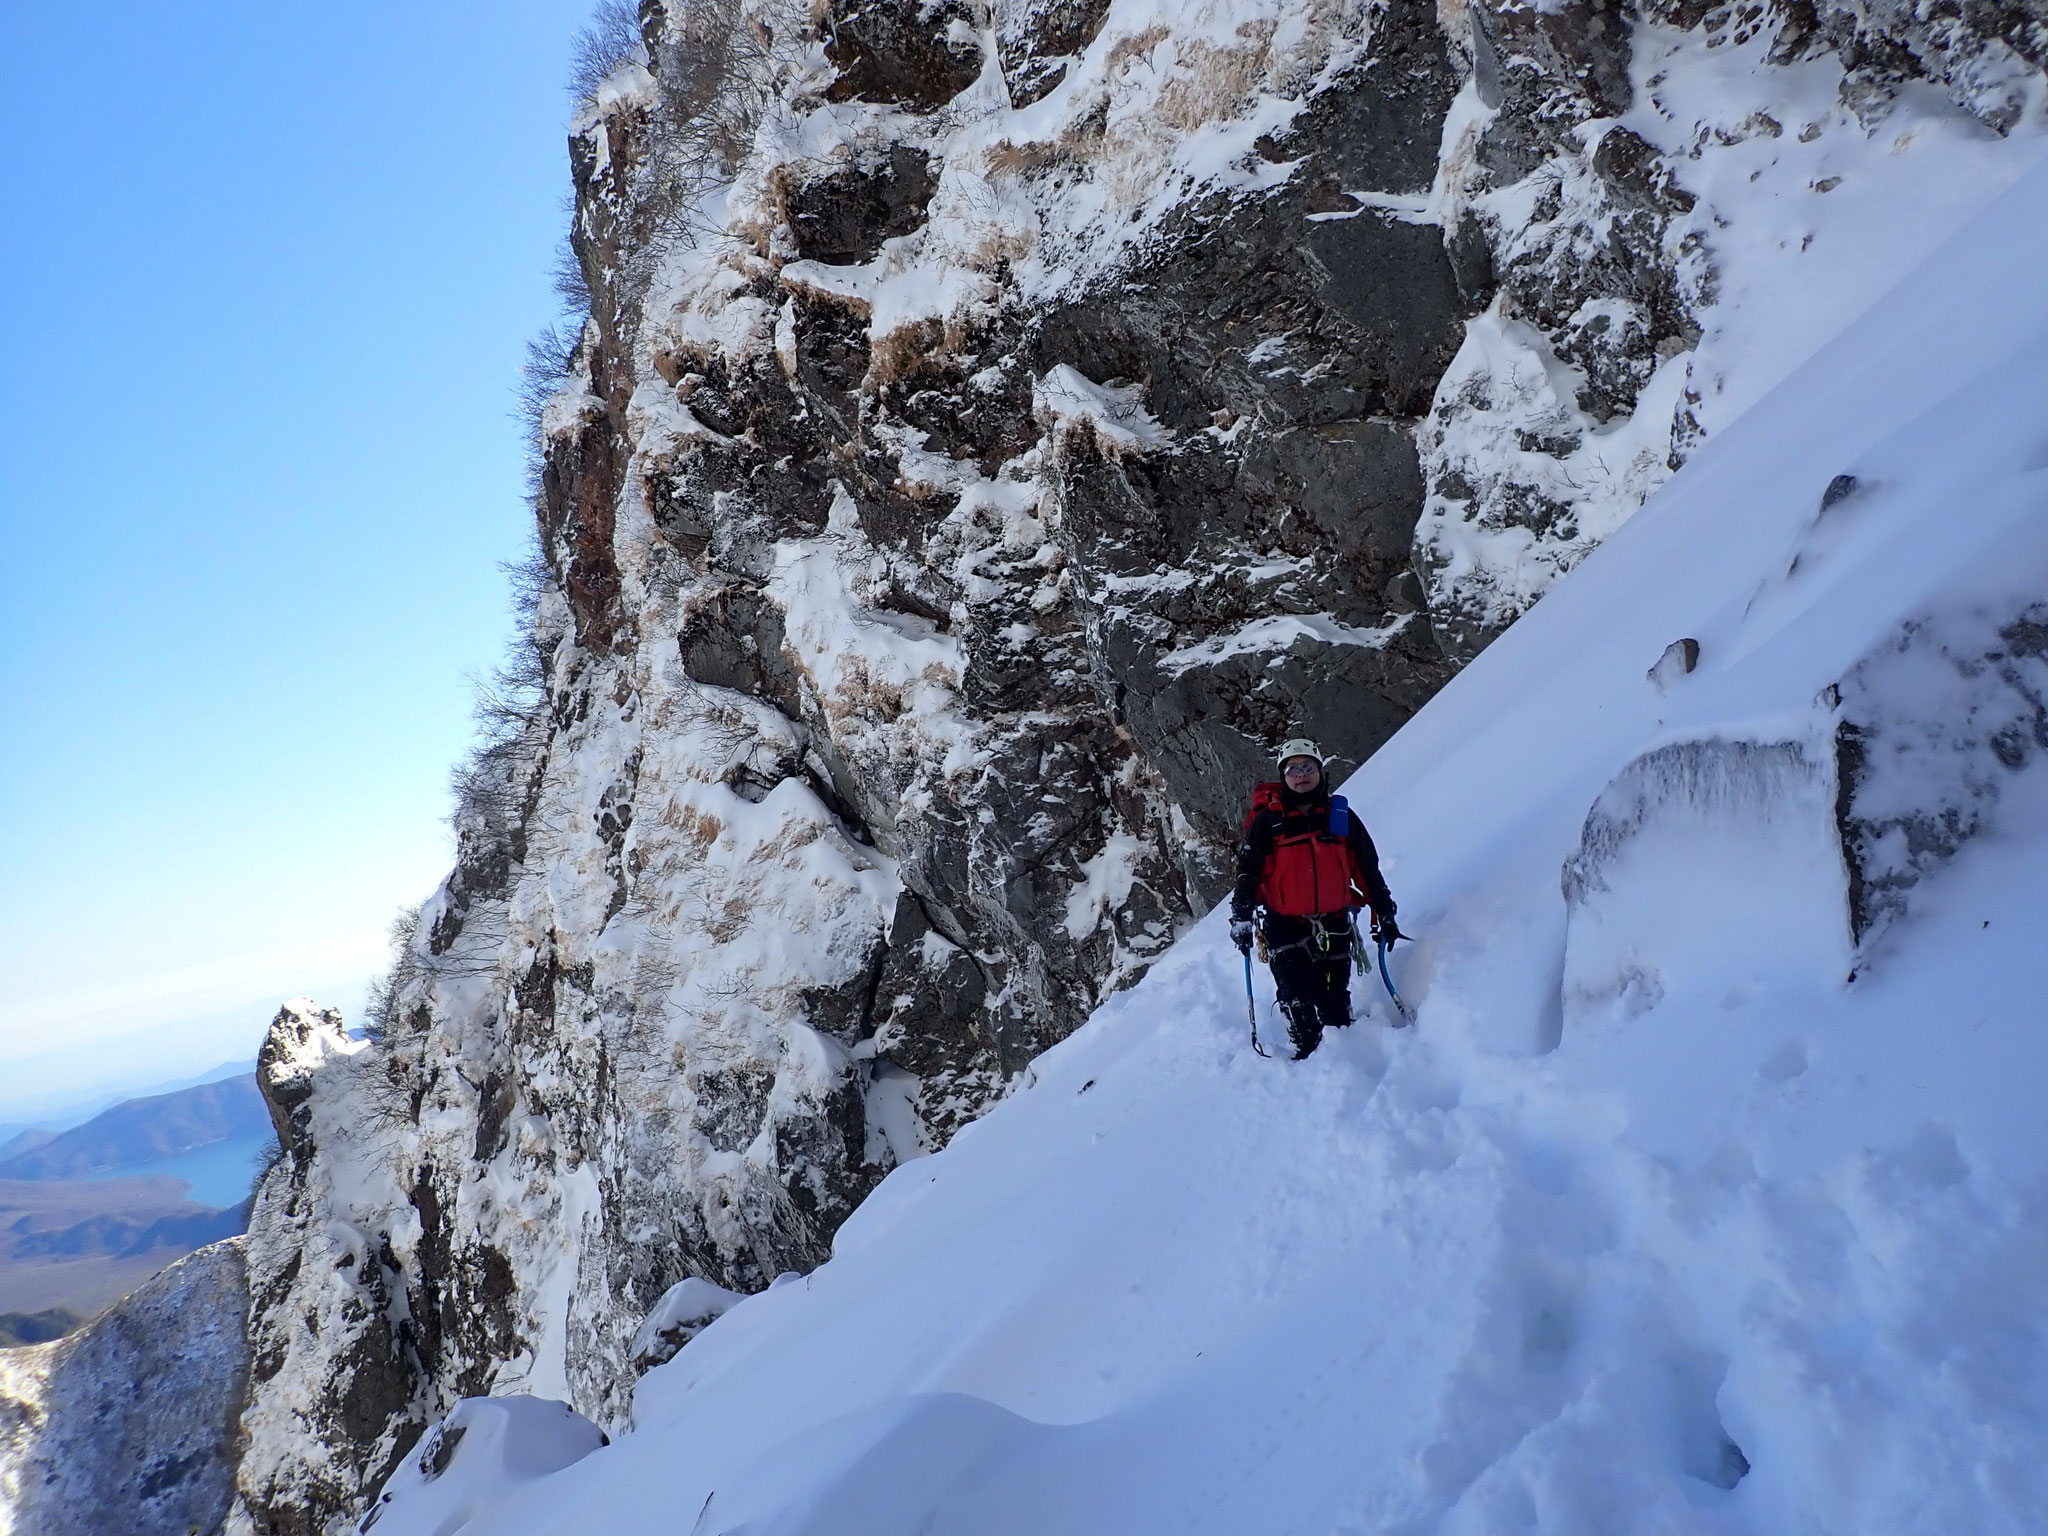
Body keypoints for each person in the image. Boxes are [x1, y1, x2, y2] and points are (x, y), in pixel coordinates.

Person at [1229, 738, 1402, 1059]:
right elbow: (1248, 871)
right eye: (1293, 769)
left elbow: (1366, 868)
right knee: (1296, 997)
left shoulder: (1341, 817)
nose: (1301, 775)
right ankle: (1309, 1055)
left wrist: (1383, 910)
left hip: (1334, 921)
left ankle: (1343, 1056)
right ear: (1284, 776)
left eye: (1308, 767)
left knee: (1335, 1000)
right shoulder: (1268, 821)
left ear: (1320, 771)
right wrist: (1241, 915)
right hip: (1284, 924)